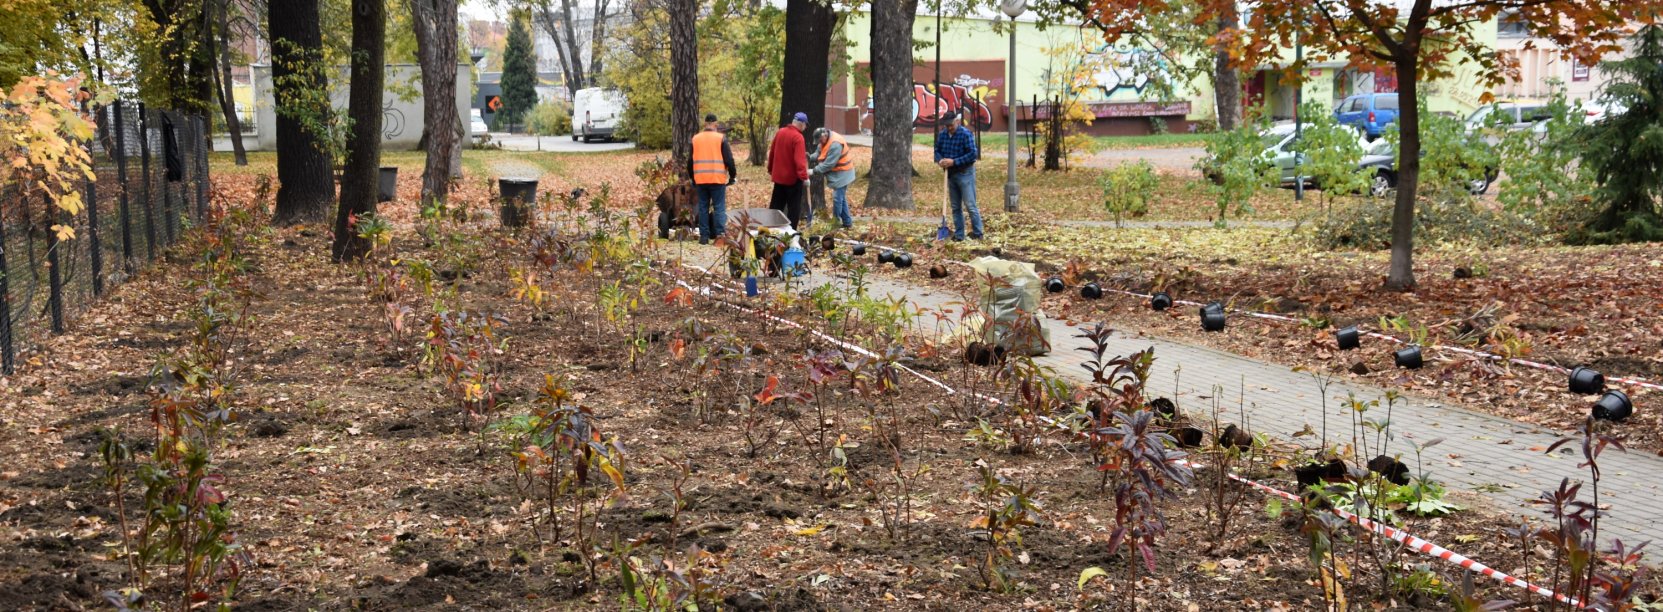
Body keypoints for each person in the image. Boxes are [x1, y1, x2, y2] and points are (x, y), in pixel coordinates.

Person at [687, 114, 737, 244]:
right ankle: (720, 236)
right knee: (719, 207)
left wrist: (693, 178)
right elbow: (729, 160)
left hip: (701, 179)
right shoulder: (720, 138)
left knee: (703, 207)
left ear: (705, 124)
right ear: (715, 124)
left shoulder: (696, 139)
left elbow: (690, 161)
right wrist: (733, 176)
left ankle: (704, 237)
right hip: (717, 178)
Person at [933, 111, 983, 240]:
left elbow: (973, 154)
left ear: (957, 121)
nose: (949, 128)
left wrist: (954, 161)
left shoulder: (966, 134)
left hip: (965, 173)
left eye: (951, 125)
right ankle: (959, 235)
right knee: (955, 207)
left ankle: (978, 233)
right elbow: (937, 150)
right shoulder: (943, 135)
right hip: (950, 174)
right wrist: (940, 160)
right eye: (946, 125)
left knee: (970, 205)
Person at [767, 112, 810, 229]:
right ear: (801, 124)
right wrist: (804, 178)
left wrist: (770, 168)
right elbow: (799, 161)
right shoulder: (798, 137)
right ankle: (791, 233)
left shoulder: (780, 132)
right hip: (793, 181)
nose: (805, 127)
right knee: (793, 209)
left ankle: (771, 231)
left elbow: (772, 152)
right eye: (806, 125)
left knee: (776, 208)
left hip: (779, 179)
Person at [809, 127, 856, 229]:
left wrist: (813, 170)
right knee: (841, 198)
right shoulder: (823, 140)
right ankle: (848, 223)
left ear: (824, 135)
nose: (820, 143)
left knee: (837, 198)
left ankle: (835, 223)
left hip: (844, 173)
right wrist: (809, 157)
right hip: (838, 173)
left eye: (820, 140)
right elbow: (819, 153)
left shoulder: (835, 144)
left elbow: (828, 164)